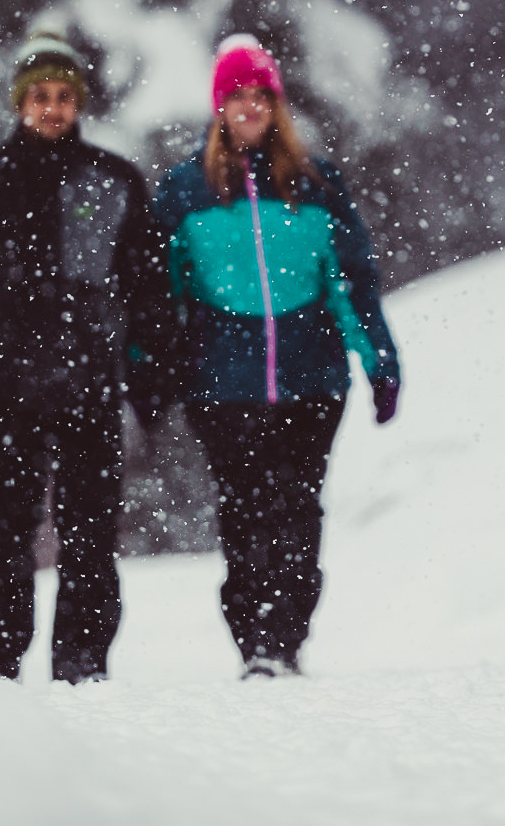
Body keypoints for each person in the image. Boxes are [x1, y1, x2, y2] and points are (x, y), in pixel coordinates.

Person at [0, 24, 174, 683]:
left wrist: (149, 368)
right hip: (3, 387)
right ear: (19, 101)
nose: (53, 106)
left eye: (65, 94)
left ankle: (83, 665)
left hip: (89, 385)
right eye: (40, 95)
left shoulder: (111, 180)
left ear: (79, 101)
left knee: (91, 535)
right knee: (3, 535)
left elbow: (146, 285)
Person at [152, 33, 402, 678]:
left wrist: (378, 361)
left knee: (296, 508)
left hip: (310, 377)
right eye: (237, 96)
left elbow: (350, 282)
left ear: (276, 103)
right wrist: (153, 369)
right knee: (242, 511)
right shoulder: (186, 191)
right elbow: (162, 295)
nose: (249, 107)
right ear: (219, 107)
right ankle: (252, 641)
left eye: (260, 95)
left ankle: (286, 639)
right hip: (222, 383)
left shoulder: (316, 184)